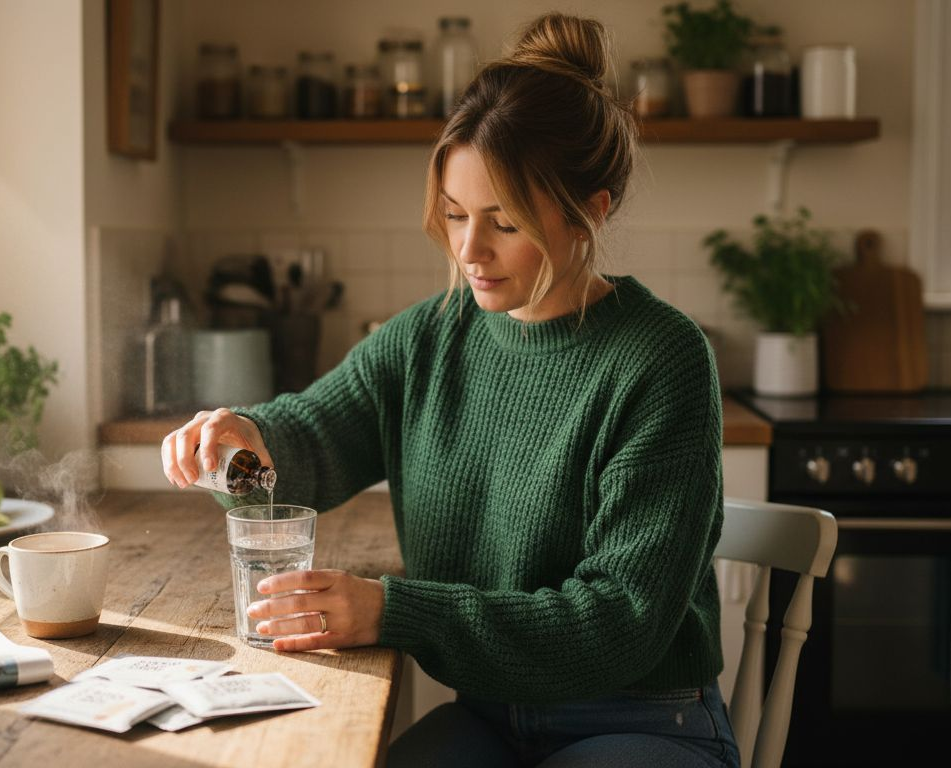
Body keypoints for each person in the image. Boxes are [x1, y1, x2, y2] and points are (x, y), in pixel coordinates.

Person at [162, 12, 739, 768]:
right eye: (457, 215)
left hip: (642, 721)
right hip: (491, 721)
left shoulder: (661, 361)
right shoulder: (432, 337)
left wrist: (393, 610)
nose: (469, 250)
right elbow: (311, 436)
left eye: (503, 222)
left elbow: (621, 621)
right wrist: (243, 441)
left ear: (589, 212)